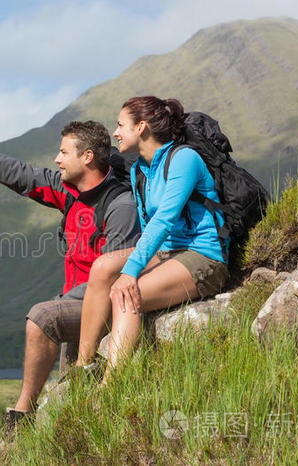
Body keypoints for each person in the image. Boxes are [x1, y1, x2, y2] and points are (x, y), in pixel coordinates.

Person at [0, 121, 140, 427]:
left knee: (42, 318)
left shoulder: (121, 206)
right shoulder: (69, 192)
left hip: (102, 309)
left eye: (63, 152)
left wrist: (63, 302)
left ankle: (21, 418)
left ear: (87, 157)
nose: (56, 159)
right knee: (75, 408)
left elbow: (117, 277)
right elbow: (15, 172)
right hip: (76, 306)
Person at [73, 96, 230, 375]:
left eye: (121, 125)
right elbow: (147, 228)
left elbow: (165, 219)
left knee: (126, 294)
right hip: (168, 253)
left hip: (203, 254)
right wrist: (130, 265)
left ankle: (113, 384)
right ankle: (84, 366)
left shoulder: (184, 159)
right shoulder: (138, 170)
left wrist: (131, 271)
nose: (116, 133)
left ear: (141, 127)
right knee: (102, 267)